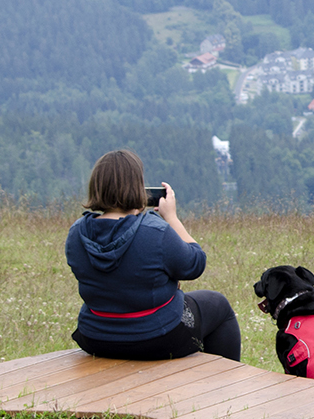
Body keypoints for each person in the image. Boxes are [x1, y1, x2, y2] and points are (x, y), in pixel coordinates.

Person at [65, 149, 241, 361]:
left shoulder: (77, 233)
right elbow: (195, 263)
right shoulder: (154, 230)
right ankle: (223, 386)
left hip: (94, 338)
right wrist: (172, 217)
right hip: (156, 338)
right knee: (218, 305)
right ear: (137, 187)